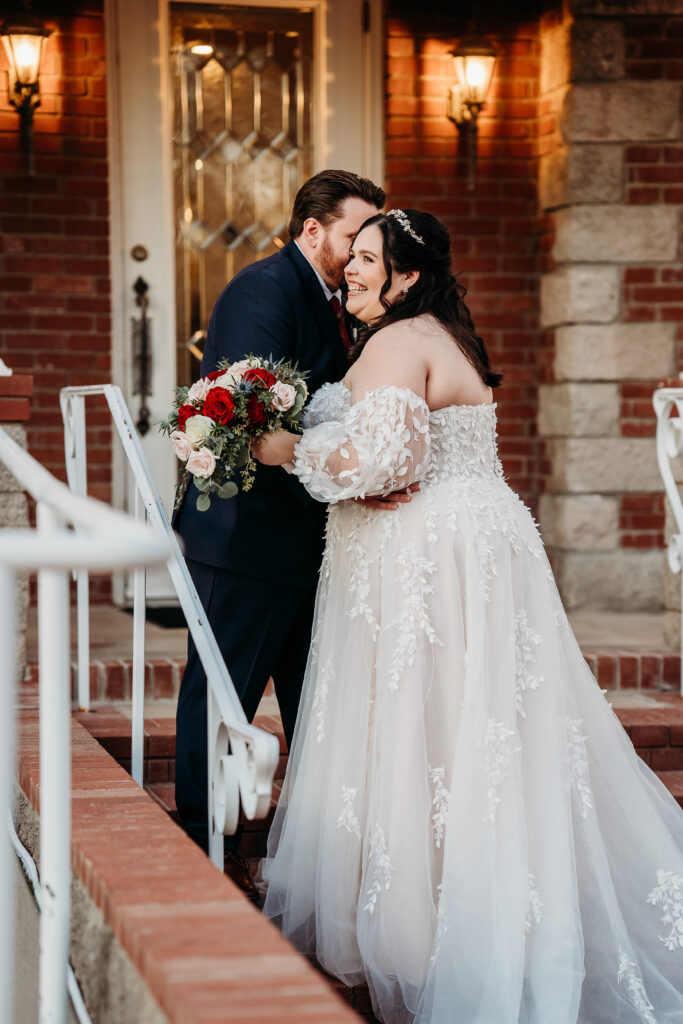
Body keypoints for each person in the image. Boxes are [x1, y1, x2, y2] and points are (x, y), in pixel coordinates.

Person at [254, 209, 683, 1023]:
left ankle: (429, 934)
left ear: (407, 276)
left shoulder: (393, 342)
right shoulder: (449, 334)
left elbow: (387, 460)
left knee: (432, 734)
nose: (351, 267)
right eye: (353, 254)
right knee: (483, 732)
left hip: (425, 555)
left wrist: (284, 450)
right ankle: (495, 913)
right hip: (479, 544)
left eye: (369, 259)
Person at [173, 170, 387, 890]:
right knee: (223, 694)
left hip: (311, 542)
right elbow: (245, 410)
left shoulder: (343, 302)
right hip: (247, 537)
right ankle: (202, 850)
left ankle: (316, 857)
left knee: (315, 704)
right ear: (312, 230)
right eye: (354, 236)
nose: (364, 251)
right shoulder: (264, 289)